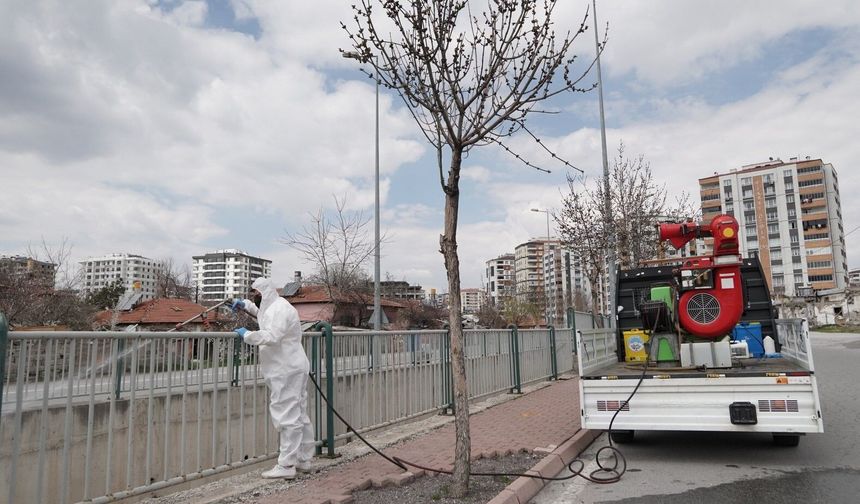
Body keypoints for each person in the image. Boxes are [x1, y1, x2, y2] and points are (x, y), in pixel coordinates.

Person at [232, 277, 314, 479]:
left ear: (265, 292)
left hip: (286, 369)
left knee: (286, 414)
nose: (255, 298)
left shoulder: (281, 309)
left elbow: (272, 335)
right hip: (288, 367)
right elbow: (263, 314)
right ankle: (304, 459)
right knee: (298, 413)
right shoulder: (273, 306)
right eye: (253, 296)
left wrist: (247, 335)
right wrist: (245, 305)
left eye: (256, 295)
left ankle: (286, 465)